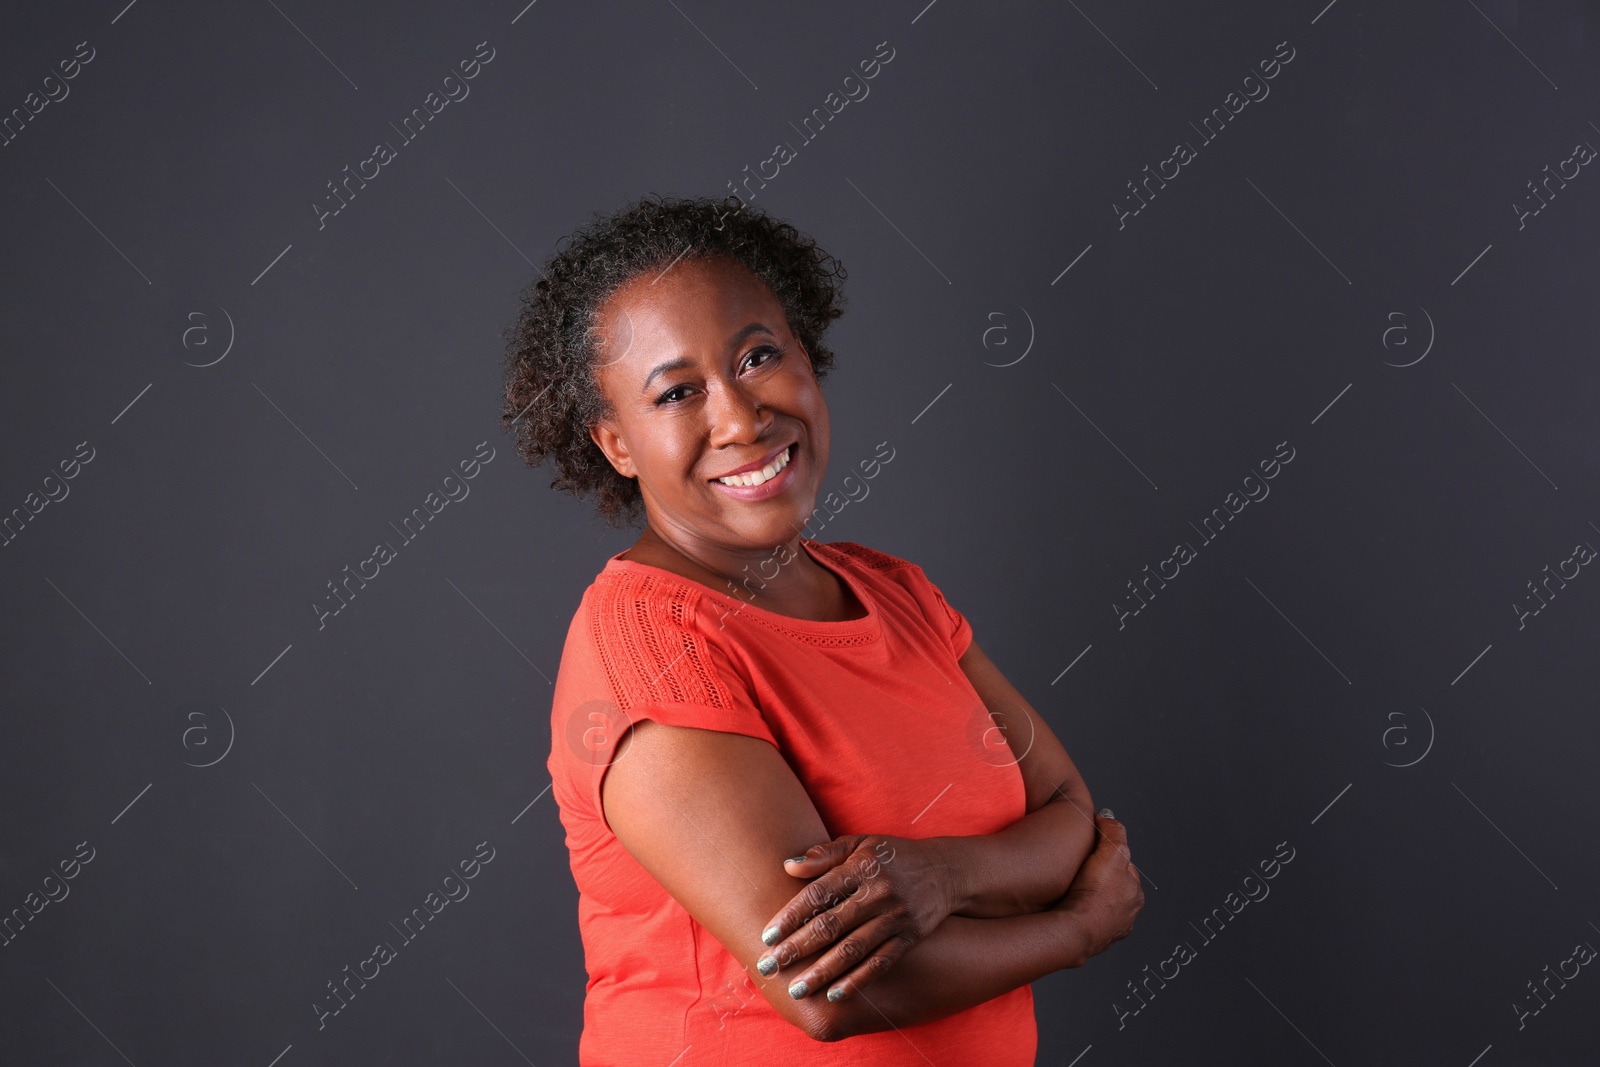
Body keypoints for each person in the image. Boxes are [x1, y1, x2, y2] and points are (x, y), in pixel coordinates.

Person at [501, 194, 1144, 1064]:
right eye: (679, 392)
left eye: (758, 355)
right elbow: (833, 986)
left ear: (808, 352)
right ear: (616, 442)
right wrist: (1081, 928)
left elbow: (1070, 813)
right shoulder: (649, 643)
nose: (740, 418)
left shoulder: (895, 591)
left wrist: (939, 877)